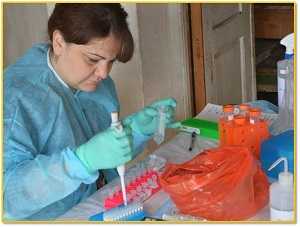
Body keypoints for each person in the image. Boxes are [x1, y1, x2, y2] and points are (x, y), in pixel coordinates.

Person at [4, 3, 178, 220]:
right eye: (93, 60)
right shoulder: (13, 97)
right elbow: (8, 197)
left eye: (111, 61)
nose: (104, 73)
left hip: (103, 203)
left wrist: (135, 132)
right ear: (59, 42)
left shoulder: (98, 85)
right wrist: (81, 161)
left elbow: (106, 155)